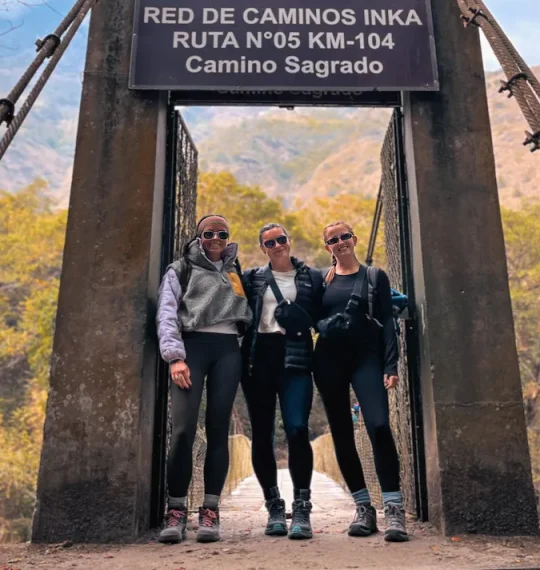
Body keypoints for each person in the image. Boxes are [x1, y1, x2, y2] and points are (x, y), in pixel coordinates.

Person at [155, 215, 253, 544]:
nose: (215, 237)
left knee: (218, 429)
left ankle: (210, 511)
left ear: (228, 238)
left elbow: (245, 312)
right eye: (208, 233)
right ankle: (176, 511)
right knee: (182, 430)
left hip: (227, 351)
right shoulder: (180, 269)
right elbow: (166, 312)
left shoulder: (233, 271)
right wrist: (175, 357)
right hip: (191, 349)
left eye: (221, 233)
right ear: (198, 237)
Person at [313, 220, 408, 542]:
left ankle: (394, 508)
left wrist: (390, 364)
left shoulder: (374, 276)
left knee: (379, 426)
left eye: (344, 237)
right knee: (342, 434)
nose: (340, 242)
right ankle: (363, 507)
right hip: (328, 362)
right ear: (327, 247)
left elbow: (386, 322)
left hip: (367, 359)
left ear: (354, 239)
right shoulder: (320, 281)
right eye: (333, 239)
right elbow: (309, 320)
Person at [240, 223, 324, 540]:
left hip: (297, 359)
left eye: (281, 239)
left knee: (297, 428)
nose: (277, 245)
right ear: (263, 248)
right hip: (259, 359)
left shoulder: (312, 277)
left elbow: (328, 309)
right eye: (270, 242)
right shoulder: (252, 278)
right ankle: (274, 506)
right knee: (262, 434)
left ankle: (301, 506)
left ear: (289, 241)